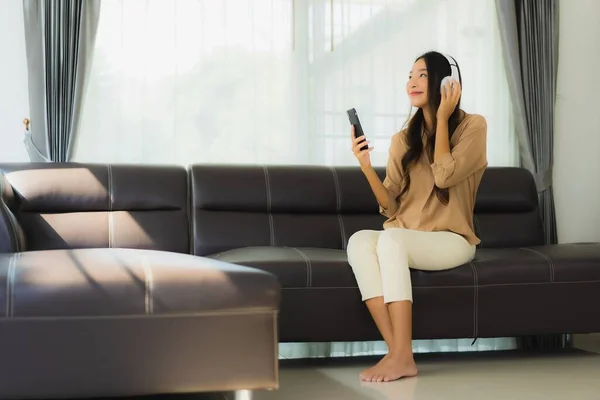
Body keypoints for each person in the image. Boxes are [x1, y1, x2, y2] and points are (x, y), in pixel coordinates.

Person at [347, 51, 487, 383]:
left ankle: (400, 356)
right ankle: (399, 353)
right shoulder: (402, 140)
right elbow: (391, 207)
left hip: (452, 240)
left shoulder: (472, 127)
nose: (412, 82)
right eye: (410, 75)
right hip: (408, 236)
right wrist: (366, 167)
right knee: (360, 241)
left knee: (391, 238)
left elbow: (443, 175)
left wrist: (441, 120)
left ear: (444, 82)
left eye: (422, 75)